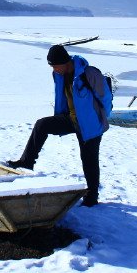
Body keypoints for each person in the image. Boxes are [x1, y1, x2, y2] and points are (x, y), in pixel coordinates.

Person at [7, 44, 112, 207]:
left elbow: (106, 99)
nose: (54, 69)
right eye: (52, 67)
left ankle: (92, 196)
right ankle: (27, 161)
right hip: (71, 119)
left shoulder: (89, 73)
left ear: (65, 61)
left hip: (91, 124)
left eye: (56, 66)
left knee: (88, 160)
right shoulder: (59, 75)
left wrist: (99, 119)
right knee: (42, 125)